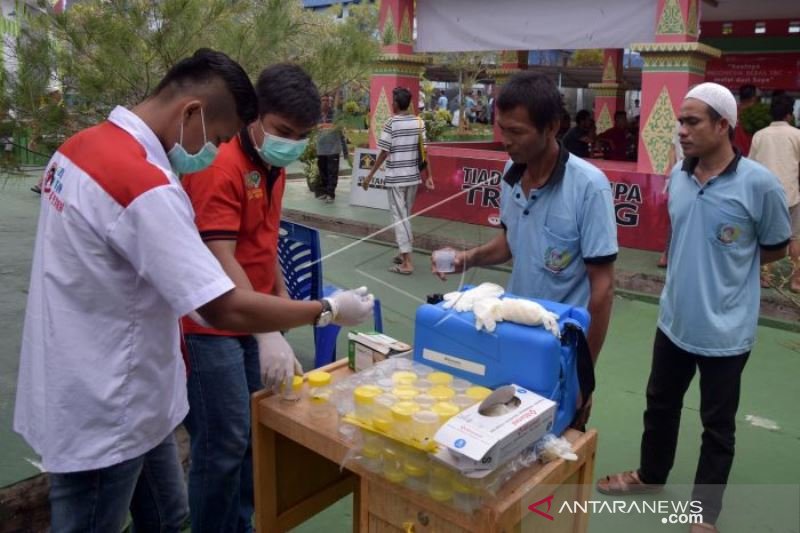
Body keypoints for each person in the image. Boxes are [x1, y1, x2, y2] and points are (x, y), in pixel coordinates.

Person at [13, 49, 374, 533]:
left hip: (125, 386)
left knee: (168, 516)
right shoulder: (143, 185)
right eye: (219, 136)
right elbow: (219, 304)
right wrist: (324, 310)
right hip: (106, 399)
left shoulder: (81, 147)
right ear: (191, 113)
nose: (215, 150)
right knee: (92, 519)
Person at [596, 83, 791, 533]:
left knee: (716, 426)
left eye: (692, 121)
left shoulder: (759, 184)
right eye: (679, 122)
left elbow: (778, 247)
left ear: (724, 125)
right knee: (659, 404)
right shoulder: (679, 177)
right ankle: (650, 474)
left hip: (726, 328)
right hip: (673, 320)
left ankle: (704, 515)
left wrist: (735, 265)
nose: (680, 131)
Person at [179, 63, 322, 533]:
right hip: (212, 324)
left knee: (251, 438)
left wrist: (277, 314)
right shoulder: (220, 166)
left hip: (255, 318)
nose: (292, 143)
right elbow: (220, 254)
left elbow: (263, 243)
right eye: (284, 131)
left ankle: (239, 525)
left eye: (302, 135)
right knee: (221, 446)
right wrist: (266, 329)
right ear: (255, 116)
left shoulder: (272, 165)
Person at [432, 72, 618, 429]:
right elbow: (510, 241)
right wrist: (465, 259)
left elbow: (603, 289)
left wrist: (584, 375)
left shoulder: (589, 187)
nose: (506, 141)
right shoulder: (511, 173)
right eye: (503, 129)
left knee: (557, 446)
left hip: (562, 348)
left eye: (517, 132)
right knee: (506, 435)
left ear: (552, 127)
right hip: (515, 330)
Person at [362, 86, 434, 275]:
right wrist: (429, 177)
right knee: (405, 217)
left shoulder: (391, 123)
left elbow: (384, 152)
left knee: (400, 219)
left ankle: (407, 262)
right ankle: (403, 253)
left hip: (396, 179)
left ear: (396, 103)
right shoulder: (419, 122)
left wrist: (370, 175)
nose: (392, 103)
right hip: (412, 178)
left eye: (393, 101)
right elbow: (424, 152)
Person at [749, 93, 800, 292]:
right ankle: (796, 281)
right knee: (795, 238)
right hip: (791, 194)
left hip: (764, 197)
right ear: (789, 115)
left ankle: (766, 277)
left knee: (764, 237)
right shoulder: (797, 135)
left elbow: (751, 167)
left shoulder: (759, 135)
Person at [315, 93, 349, 203]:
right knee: (323, 171)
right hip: (321, 149)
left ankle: (331, 194)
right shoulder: (316, 116)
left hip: (334, 149)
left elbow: (341, 133)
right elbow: (311, 130)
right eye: (323, 100)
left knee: (332, 172)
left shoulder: (336, 114)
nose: (325, 102)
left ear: (330, 102)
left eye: (327, 100)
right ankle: (325, 192)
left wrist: (345, 151)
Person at [733, 83, 757, 155]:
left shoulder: (731, 110)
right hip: (749, 155)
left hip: (731, 154)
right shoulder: (756, 114)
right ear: (753, 98)